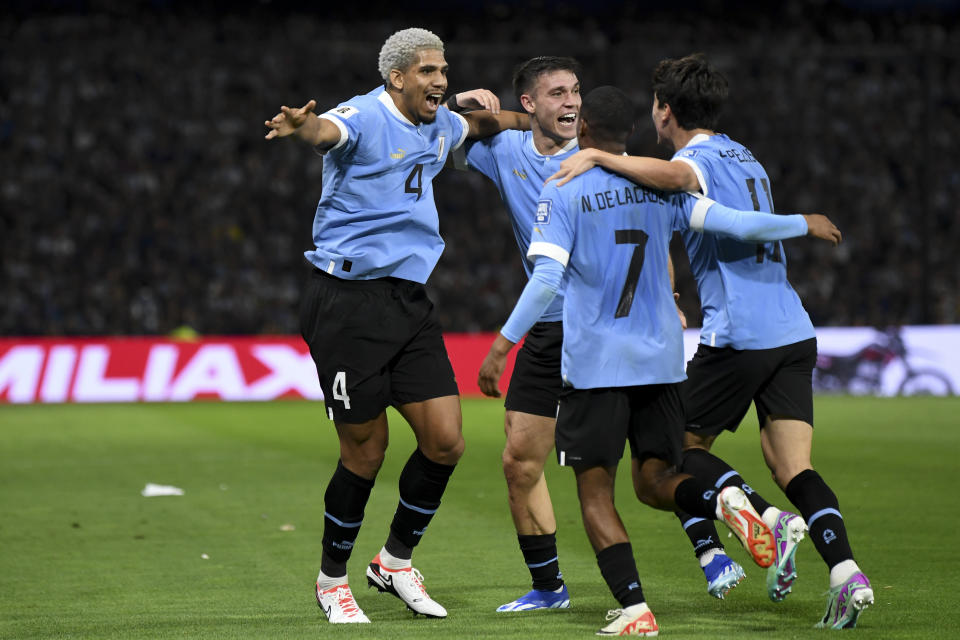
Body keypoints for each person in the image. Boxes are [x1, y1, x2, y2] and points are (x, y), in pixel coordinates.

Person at [483, 85, 842, 635]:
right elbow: (739, 224)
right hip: (663, 364)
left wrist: (503, 344)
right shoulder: (660, 187)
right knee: (655, 478)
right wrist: (802, 222)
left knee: (596, 492)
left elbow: (547, 277)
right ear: (630, 133)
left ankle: (635, 610)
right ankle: (724, 502)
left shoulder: (565, 188)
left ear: (581, 132)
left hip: (598, 364)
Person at [263, 27, 529, 624]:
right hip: (345, 304)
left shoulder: (439, 123)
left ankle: (394, 561)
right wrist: (303, 128)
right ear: (397, 77)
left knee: (446, 440)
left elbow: (482, 126)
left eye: (444, 70)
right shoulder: (362, 114)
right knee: (366, 452)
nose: (440, 80)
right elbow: (327, 133)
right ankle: (332, 581)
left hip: (408, 302)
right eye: (429, 71)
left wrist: (533, 120)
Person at [445, 55, 582, 613]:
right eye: (556, 93)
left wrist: (666, 297)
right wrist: (459, 106)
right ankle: (548, 588)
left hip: (603, 328)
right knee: (519, 460)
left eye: (575, 91)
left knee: (648, 463)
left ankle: (723, 532)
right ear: (529, 103)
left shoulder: (600, 158)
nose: (572, 102)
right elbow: (443, 145)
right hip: (549, 328)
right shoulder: (506, 152)